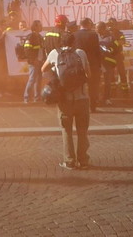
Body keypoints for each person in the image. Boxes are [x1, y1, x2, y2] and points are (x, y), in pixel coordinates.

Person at [41, 32, 91, 170]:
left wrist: (54, 81)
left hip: (65, 99)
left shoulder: (54, 54)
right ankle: (83, 160)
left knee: (66, 130)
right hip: (82, 98)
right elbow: (88, 74)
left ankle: (69, 161)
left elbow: (43, 69)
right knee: (82, 130)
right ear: (74, 42)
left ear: (60, 42)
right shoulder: (81, 53)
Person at [73, 18, 101, 112]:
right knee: (93, 86)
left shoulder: (74, 34)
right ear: (88, 24)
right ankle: (92, 106)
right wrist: (99, 64)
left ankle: (79, 106)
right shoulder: (93, 35)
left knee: (79, 86)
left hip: (78, 64)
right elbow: (97, 50)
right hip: (92, 63)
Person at [23, 20, 44, 103]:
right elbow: (27, 49)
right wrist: (33, 60)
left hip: (40, 61)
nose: (41, 26)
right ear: (35, 27)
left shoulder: (40, 37)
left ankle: (37, 97)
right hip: (34, 62)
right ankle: (26, 97)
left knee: (39, 80)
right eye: (39, 25)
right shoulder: (30, 36)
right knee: (32, 79)